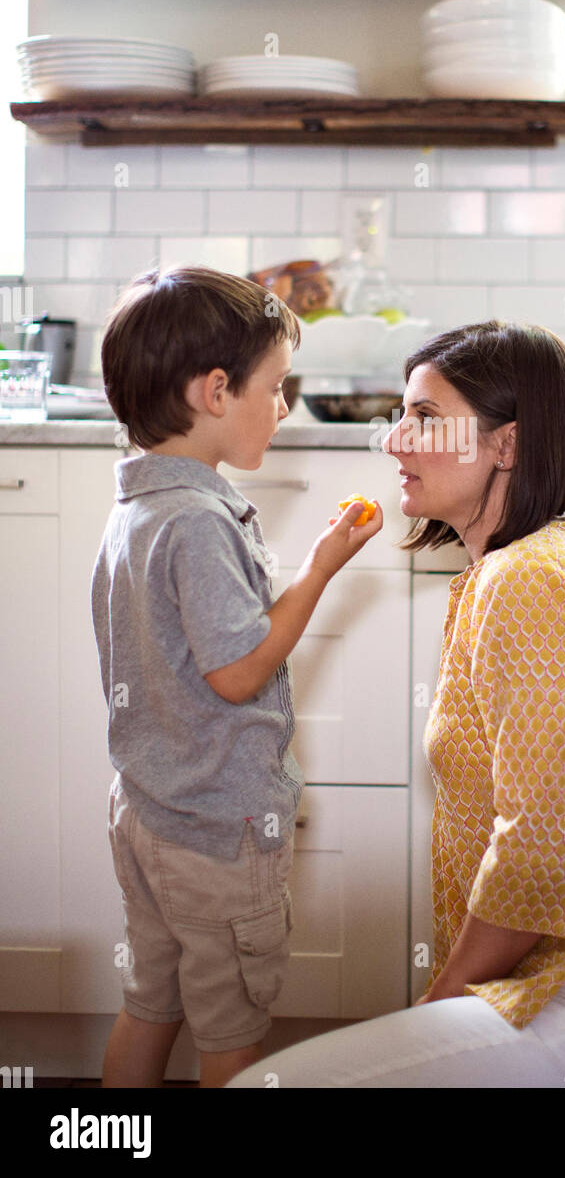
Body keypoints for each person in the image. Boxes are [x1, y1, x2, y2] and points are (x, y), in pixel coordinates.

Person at [227, 320, 565, 1089]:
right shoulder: (544, 560)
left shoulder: (522, 580)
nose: (394, 443)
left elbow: (539, 845)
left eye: (424, 418)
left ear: (508, 446)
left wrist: (440, 1000)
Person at [91, 265, 382, 1088]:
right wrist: (321, 568)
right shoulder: (198, 521)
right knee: (231, 1033)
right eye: (277, 388)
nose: (283, 408)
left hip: (147, 812)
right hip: (215, 834)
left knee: (150, 1003)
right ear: (216, 392)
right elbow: (238, 671)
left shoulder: (137, 508)